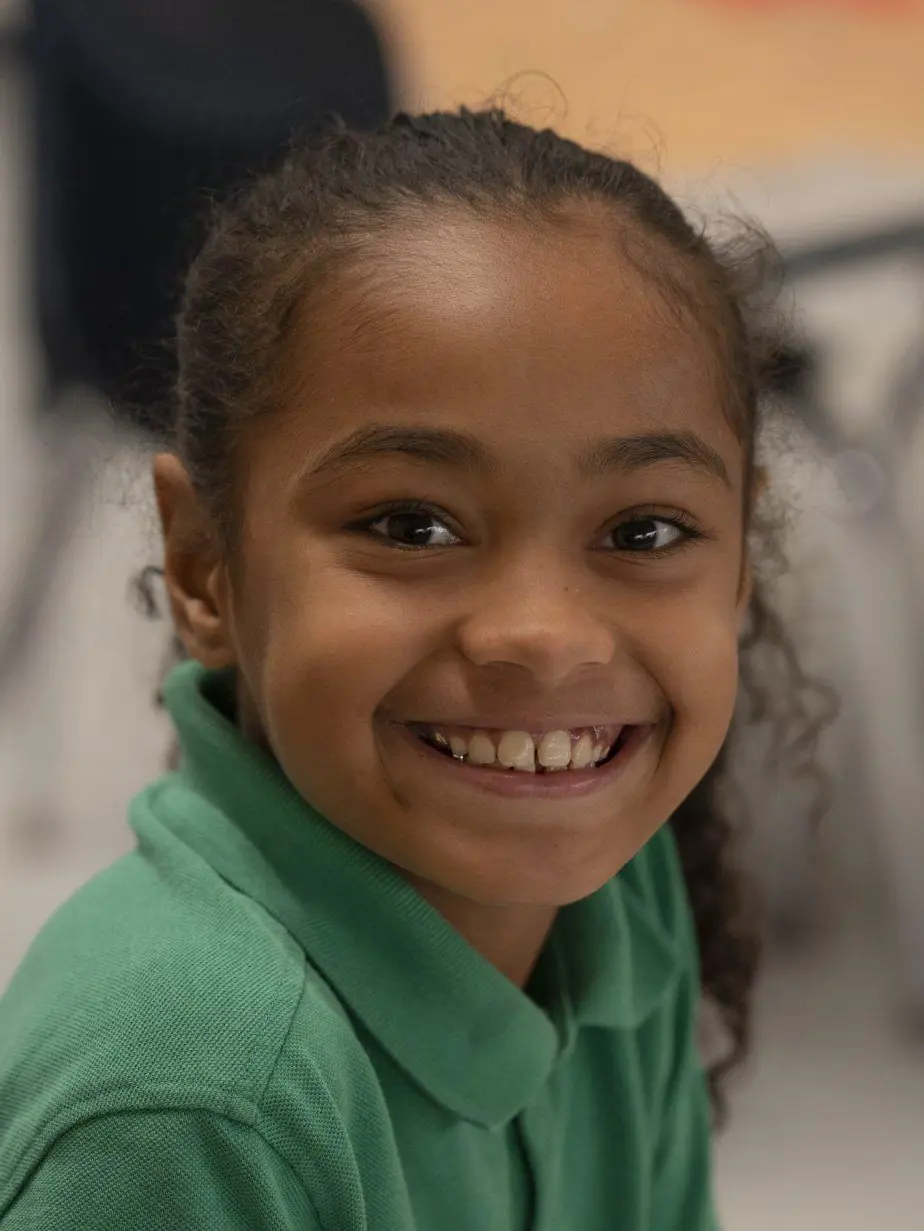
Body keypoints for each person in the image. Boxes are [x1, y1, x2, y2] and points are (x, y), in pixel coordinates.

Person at [0, 110, 828, 1229]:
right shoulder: (189, 1099)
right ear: (205, 570)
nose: (545, 635)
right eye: (411, 525)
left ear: (739, 561)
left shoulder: (607, 880)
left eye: (642, 532)